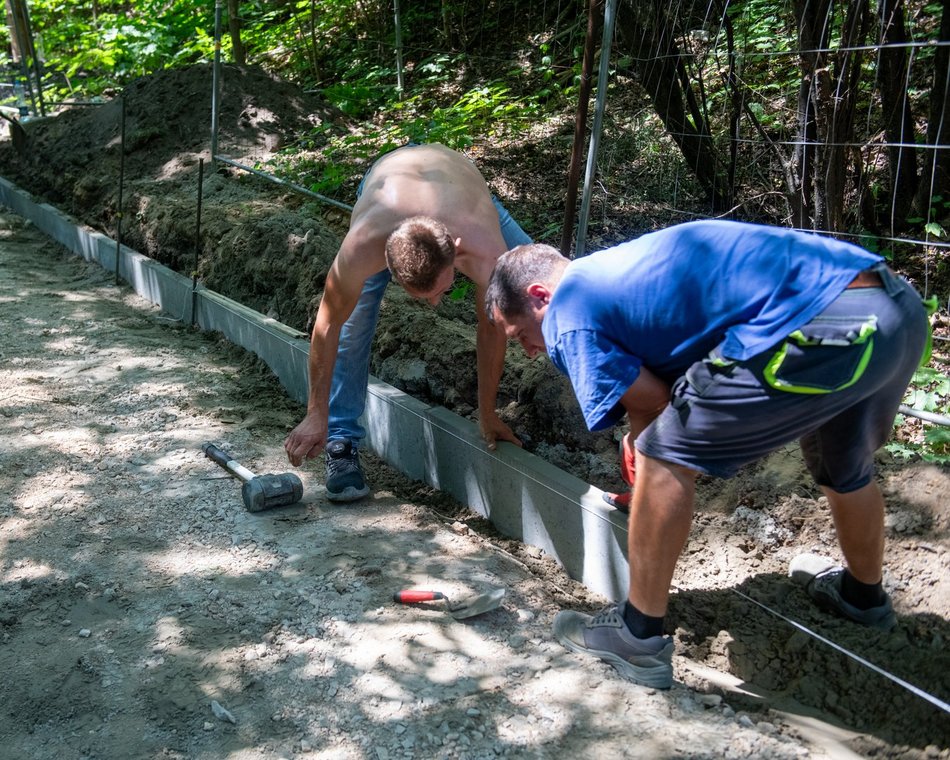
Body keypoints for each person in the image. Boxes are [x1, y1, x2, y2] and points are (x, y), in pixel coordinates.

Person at [484, 219, 930, 689]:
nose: (530, 351)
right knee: (841, 463)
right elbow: (652, 397)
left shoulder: (567, 312)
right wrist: (644, 472)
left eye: (518, 336)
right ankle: (863, 597)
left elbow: (654, 404)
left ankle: (637, 637)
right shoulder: (616, 274)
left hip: (820, 326)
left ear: (539, 296)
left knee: (664, 455)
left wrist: (648, 476)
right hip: (892, 309)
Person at [284, 143, 530, 501]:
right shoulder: (363, 246)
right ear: (386, 265)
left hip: (463, 189)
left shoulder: (484, 249)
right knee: (354, 322)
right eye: (423, 296)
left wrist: (488, 413)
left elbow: (489, 326)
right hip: (387, 183)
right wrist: (315, 412)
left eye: (442, 290)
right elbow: (328, 326)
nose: (434, 305)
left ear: (456, 251)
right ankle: (340, 441)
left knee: (537, 287)